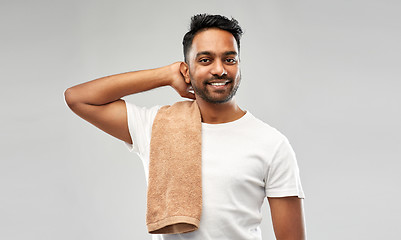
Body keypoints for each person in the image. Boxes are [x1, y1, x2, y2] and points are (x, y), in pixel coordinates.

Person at [65, 14, 306, 240]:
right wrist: (165, 75)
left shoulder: (272, 144)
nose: (219, 69)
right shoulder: (156, 125)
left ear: (239, 66)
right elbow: (78, 97)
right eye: (205, 60)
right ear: (187, 70)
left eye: (229, 59)